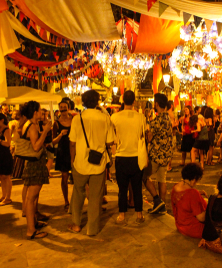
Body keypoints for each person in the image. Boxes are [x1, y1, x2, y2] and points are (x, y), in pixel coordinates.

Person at [68, 90, 114, 236]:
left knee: (78, 192)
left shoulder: (77, 119)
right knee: (95, 196)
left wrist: (72, 159)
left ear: (83, 101)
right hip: (98, 162)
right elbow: (110, 141)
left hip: (80, 161)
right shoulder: (104, 118)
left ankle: (76, 224)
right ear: (97, 101)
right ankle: (92, 229)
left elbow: (72, 143)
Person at [111, 90, 146, 224]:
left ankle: (122, 215)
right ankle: (139, 214)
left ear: (122, 100)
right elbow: (144, 135)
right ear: (134, 101)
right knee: (137, 187)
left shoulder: (115, 117)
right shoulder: (141, 117)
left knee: (122, 188)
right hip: (137, 155)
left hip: (121, 155)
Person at [20, 101, 52, 240]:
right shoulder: (32, 126)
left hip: (33, 163)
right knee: (31, 198)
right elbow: (36, 147)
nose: (41, 113)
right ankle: (31, 230)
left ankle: (33, 223)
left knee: (31, 197)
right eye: (39, 110)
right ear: (35, 112)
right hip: (35, 164)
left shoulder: (29, 124)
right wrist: (45, 131)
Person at [145, 93, 173, 214]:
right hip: (166, 154)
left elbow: (149, 138)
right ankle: (162, 206)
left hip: (156, 154)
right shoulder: (168, 118)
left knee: (144, 176)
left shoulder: (156, 121)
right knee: (162, 180)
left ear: (156, 104)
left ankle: (157, 201)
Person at [171, 163, 207, 238]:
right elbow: (201, 218)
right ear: (194, 179)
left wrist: (198, 193)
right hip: (194, 229)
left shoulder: (176, 186)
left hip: (180, 226)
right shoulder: (193, 193)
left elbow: (184, 198)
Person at [52, 100, 73, 210]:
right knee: (64, 177)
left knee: (79, 177)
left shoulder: (74, 120)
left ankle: (80, 199)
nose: (63, 109)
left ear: (68, 108)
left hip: (74, 151)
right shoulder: (56, 123)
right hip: (62, 151)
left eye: (65, 107)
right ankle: (66, 201)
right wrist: (60, 135)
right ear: (59, 109)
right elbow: (53, 141)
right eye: (61, 107)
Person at [0, 113, 14, 206]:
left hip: (4, 155)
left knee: (6, 177)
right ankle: (3, 195)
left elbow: (8, 143)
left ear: (2, 120)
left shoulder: (6, 130)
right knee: (0, 176)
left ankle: (8, 197)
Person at [166, 100, 179, 171]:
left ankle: (168, 165)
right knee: (170, 151)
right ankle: (168, 166)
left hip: (170, 134)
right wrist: (176, 124)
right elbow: (171, 124)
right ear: (171, 106)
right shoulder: (170, 114)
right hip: (170, 134)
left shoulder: (168, 113)